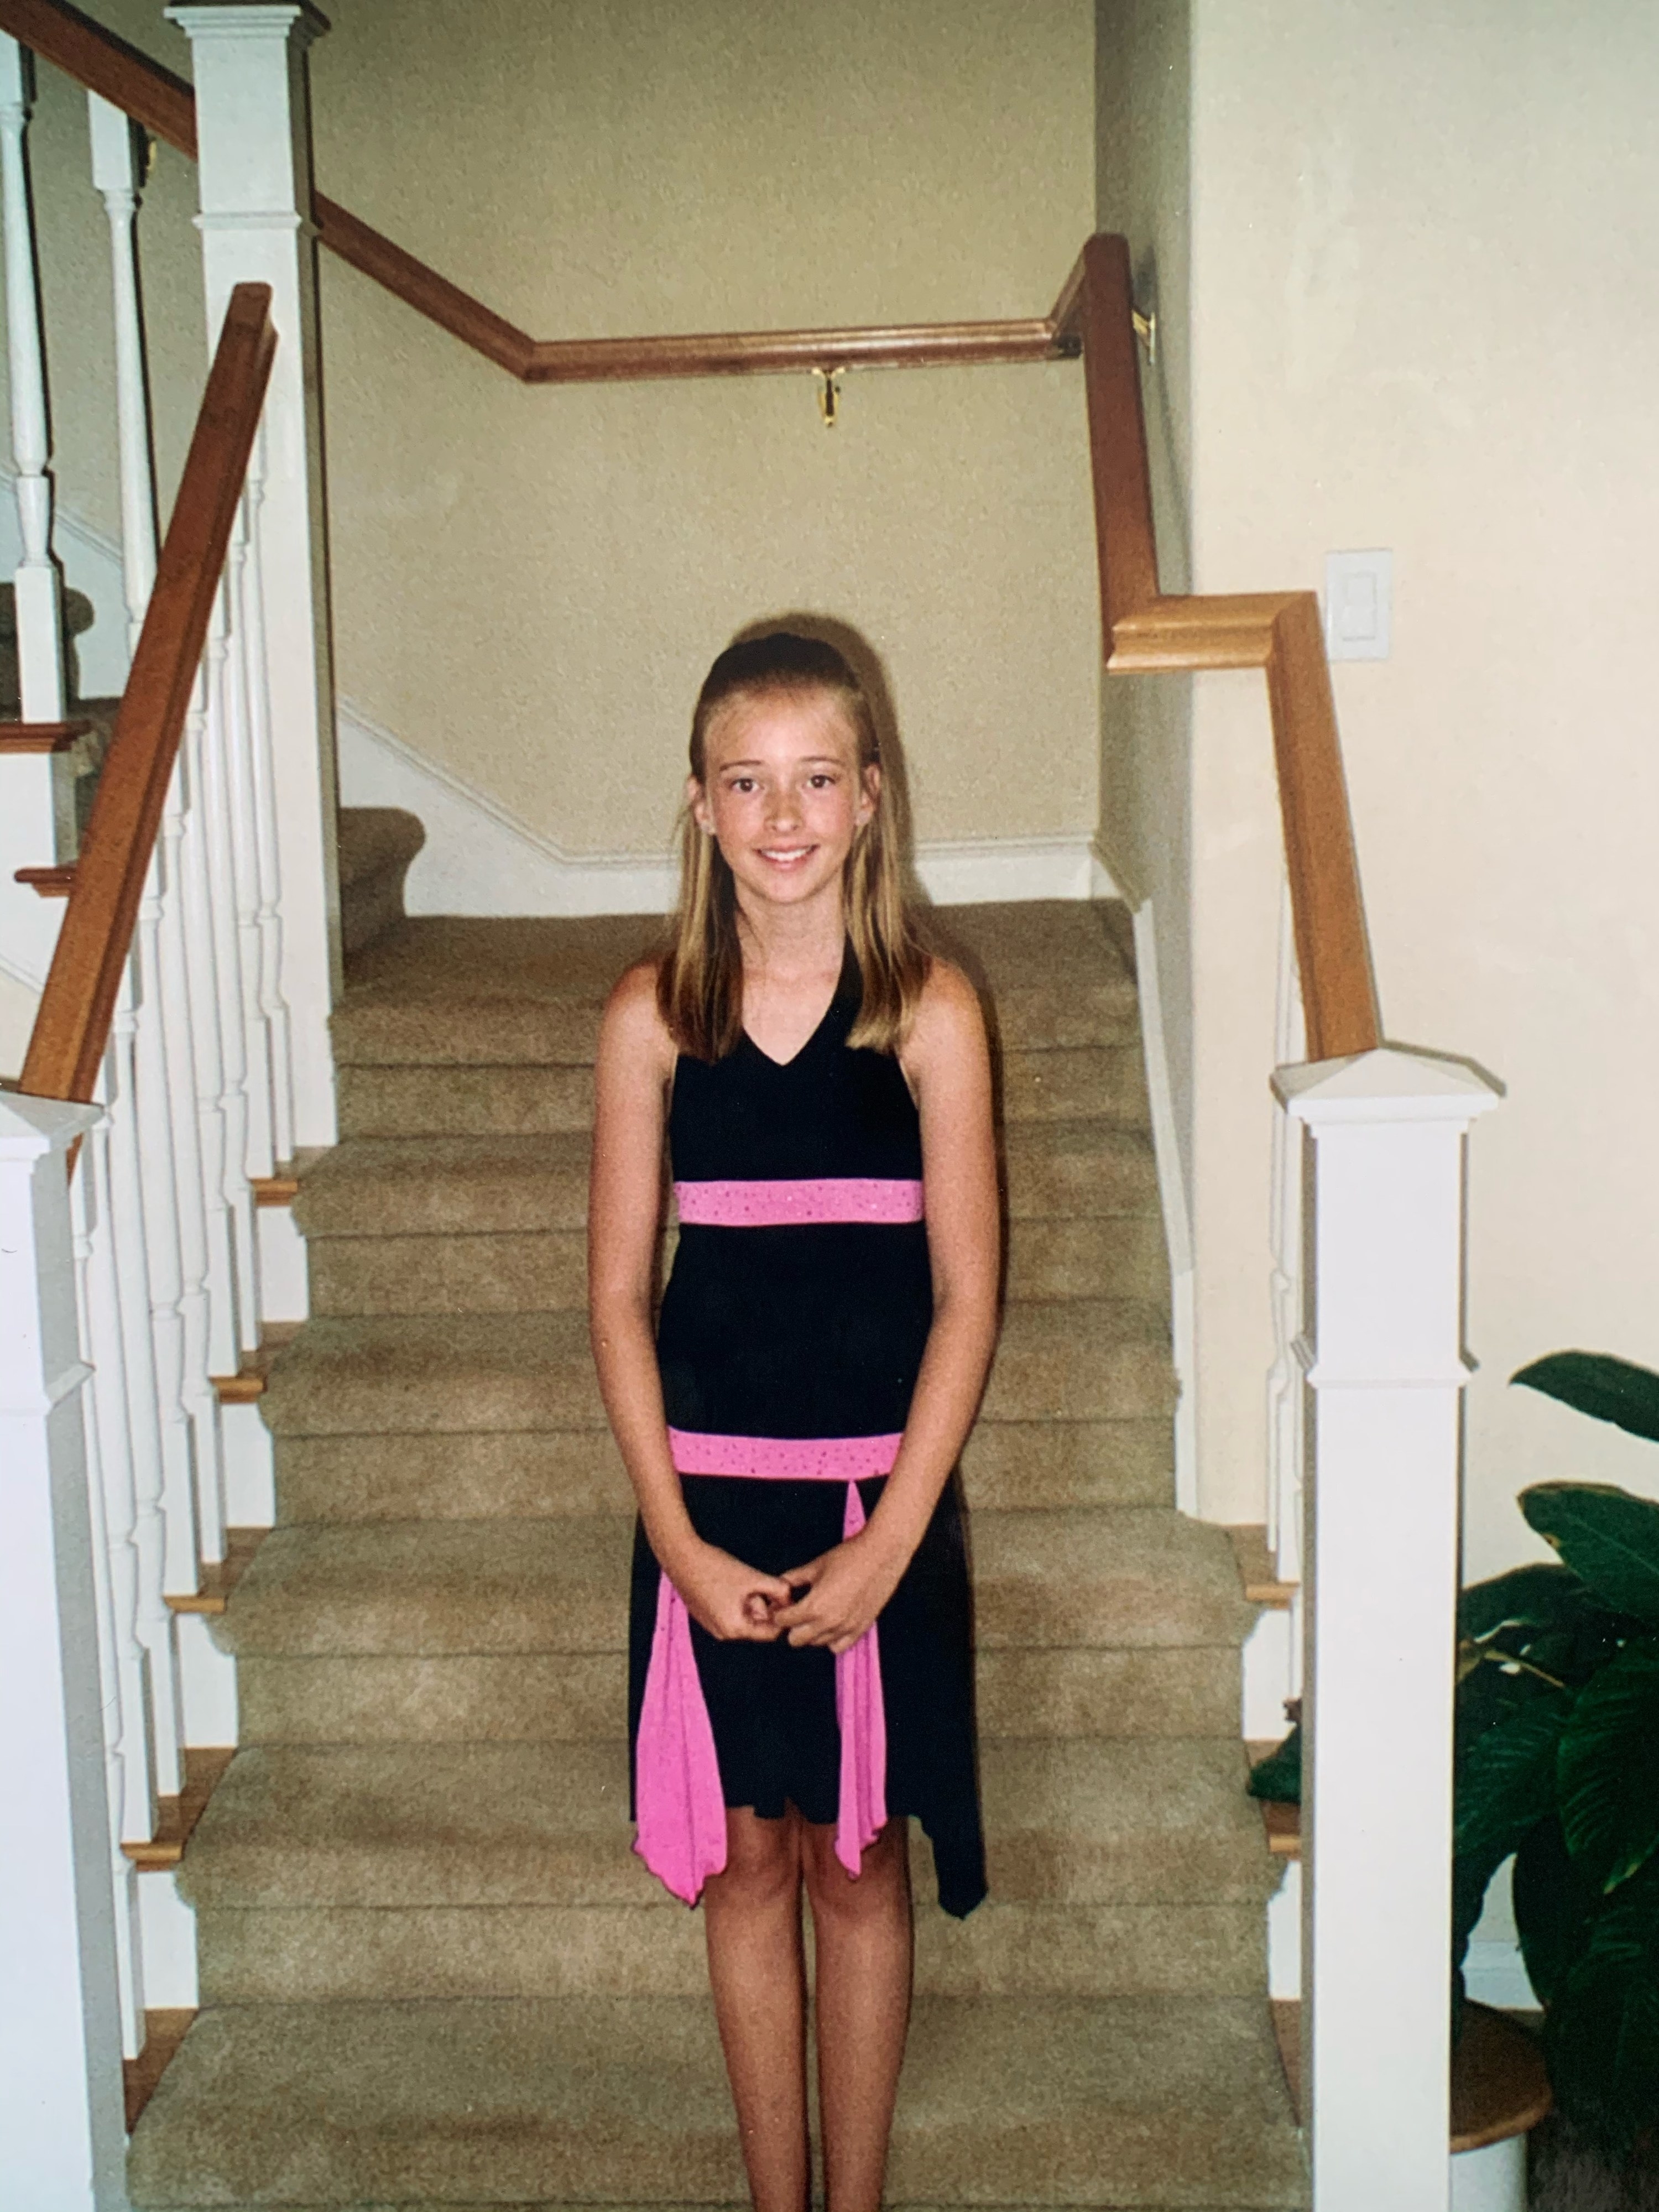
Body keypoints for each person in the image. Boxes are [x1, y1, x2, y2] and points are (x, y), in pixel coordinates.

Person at [588, 630, 999, 2212]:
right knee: (748, 1861)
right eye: (747, 782)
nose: (782, 815)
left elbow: (965, 1299)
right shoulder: (654, 1015)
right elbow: (620, 1299)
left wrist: (892, 1547)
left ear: (871, 799)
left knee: (854, 1858)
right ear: (699, 806)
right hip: (710, 1519)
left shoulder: (931, 1012)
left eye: (815, 779)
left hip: (872, 1523)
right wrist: (680, 1546)